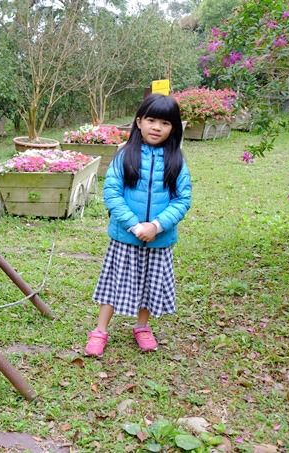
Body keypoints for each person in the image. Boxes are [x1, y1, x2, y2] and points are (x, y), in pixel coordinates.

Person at [84, 94, 192, 357]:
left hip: (159, 239)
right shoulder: (124, 154)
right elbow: (112, 193)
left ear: (174, 128)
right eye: (151, 120)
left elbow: (182, 199)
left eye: (165, 123)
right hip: (125, 237)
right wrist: (134, 226)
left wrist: (156, 225)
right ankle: (99, 330)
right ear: (139, 122)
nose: (157, 127)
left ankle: (142, 327)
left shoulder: (177, 160)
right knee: (113, 284)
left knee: (149, 285)